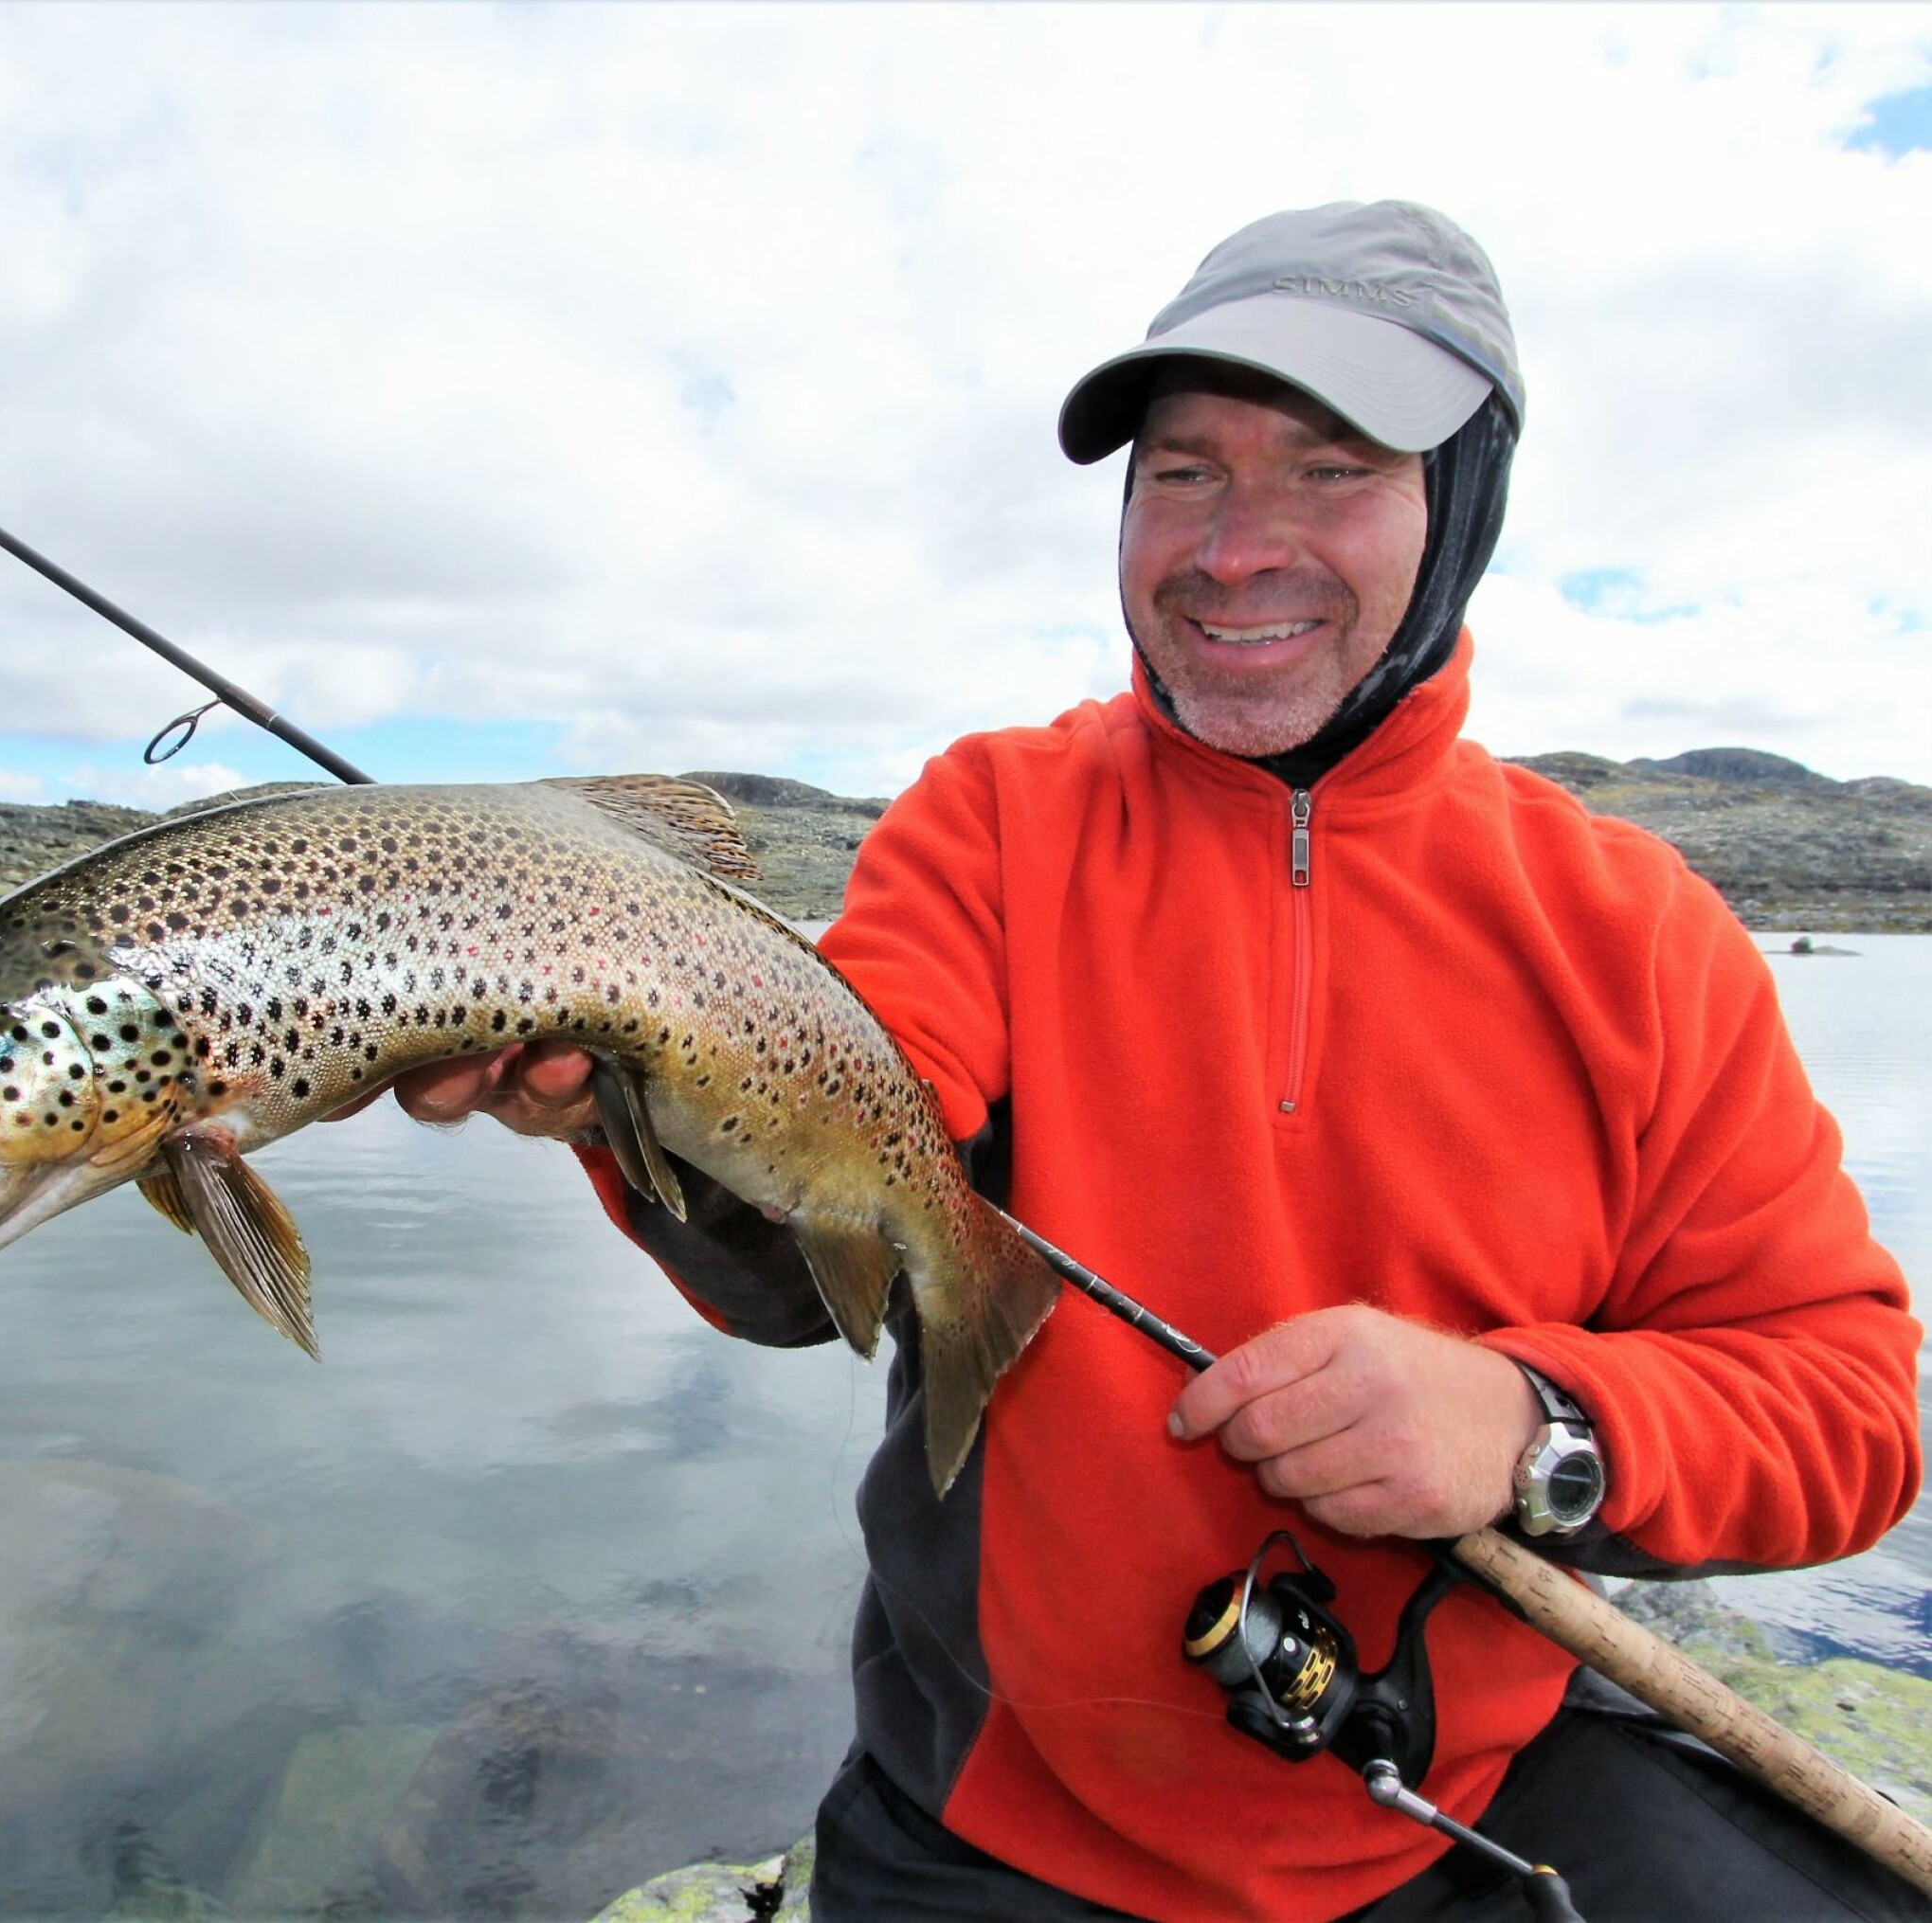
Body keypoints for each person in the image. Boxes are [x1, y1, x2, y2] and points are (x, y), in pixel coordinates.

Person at [357, 203, 1925, 1918]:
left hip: (1447, 1818)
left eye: (1330, 469)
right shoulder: (993, 825)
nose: (1236, 548)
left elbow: (1850, 1413)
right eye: (1183, 474)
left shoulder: (1640, 933)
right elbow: (813, 1269)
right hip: (983, 1830)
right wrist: (627, 1097)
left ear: (1460, 505)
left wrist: (1536, 1426)